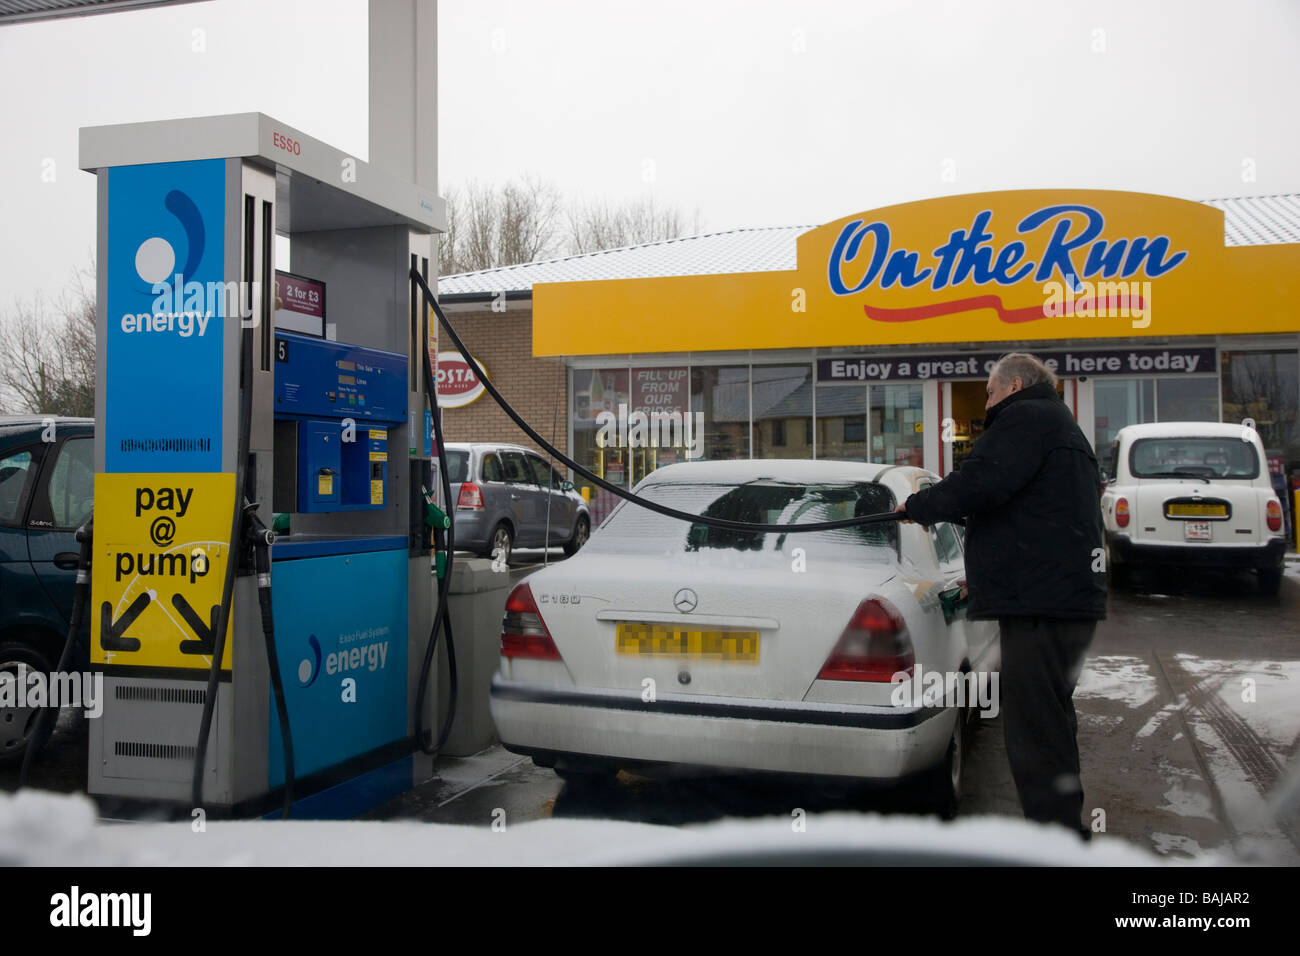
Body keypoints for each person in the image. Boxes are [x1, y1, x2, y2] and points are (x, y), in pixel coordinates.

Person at [897, 352, 1106, 838]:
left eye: (989, 391)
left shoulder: (1027, 418)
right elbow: (1027, 513)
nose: (987, 402)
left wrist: (921, 505)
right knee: (1050, 725)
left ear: (1014, 384)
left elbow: (981, 484)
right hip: (1061, 600)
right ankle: (1063, 834)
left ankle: (1055, 843)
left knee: (1036, 735)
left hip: (1043, 606)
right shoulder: (1057, 424)